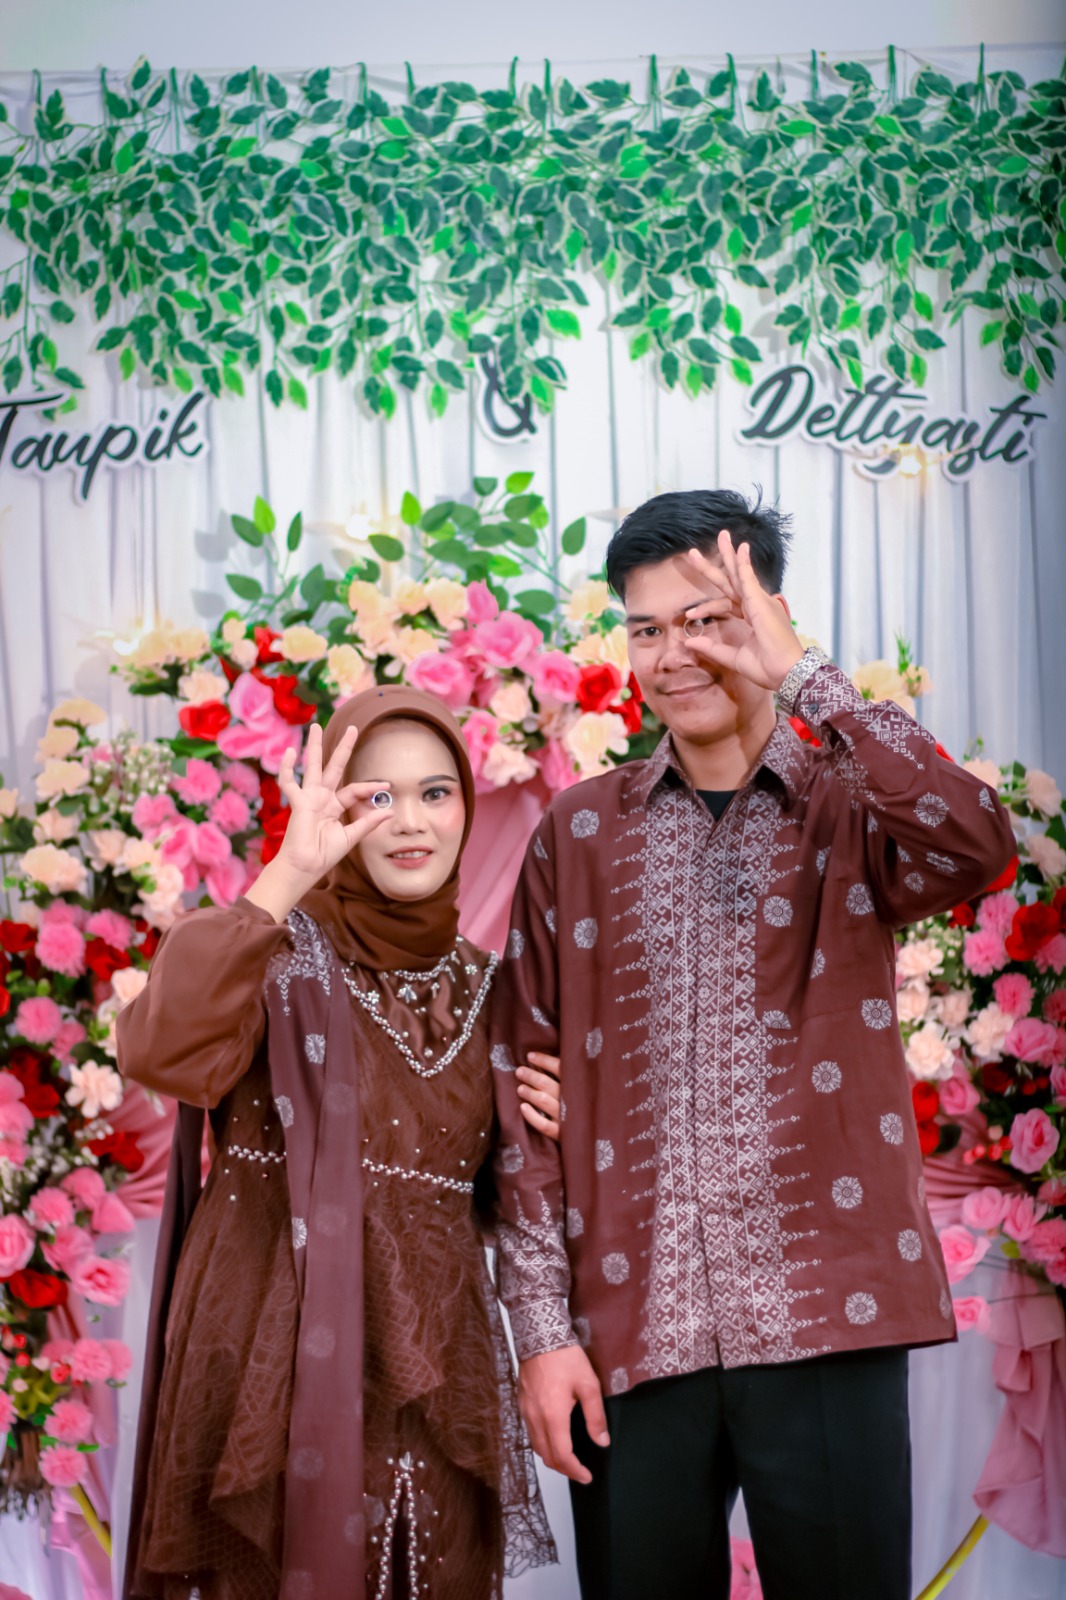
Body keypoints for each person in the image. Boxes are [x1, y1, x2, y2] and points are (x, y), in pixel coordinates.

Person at [489, 490, 1017, 1600]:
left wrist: (805, 679)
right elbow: (518, 1083)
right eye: (645, 628)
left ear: (768, 617)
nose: (672, 654)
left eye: (706, 621)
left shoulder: (850, 808)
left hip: (829, 1308)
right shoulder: (578, 832)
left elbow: (976, 842)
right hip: (631, 1319)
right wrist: (539, 1331)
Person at [118, 686, 559, 1600]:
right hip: (269, 1352)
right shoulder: (273, 957)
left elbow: (511, 1195)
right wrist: (286, 873)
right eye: (377, 796)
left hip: (436, 1366)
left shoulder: (495, 990)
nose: (411, 823)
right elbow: (162, 1050)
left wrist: (562, 1114)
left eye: (436, 793)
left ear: (468, 807)